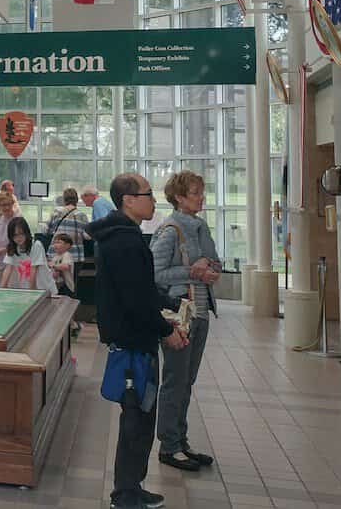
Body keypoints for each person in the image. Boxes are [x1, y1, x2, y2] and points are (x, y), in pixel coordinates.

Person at [90, 173, 188, 509]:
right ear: (128, 199)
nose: (153, 200)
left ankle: (132, 486)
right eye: (147, 194)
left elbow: (141, 290)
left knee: (140, 418)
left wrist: (171, 303)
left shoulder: (125, 236)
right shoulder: (124, 242)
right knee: (136, 419)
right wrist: (166, 331)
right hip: (133, 343)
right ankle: (125, 494)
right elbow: (135, 300)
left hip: (135, 339)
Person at [151, 171, 222, 472]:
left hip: (201, 313)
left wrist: (209, 268)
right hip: (180, 315)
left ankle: (180, 441)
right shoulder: (170, 230)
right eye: (195, 192)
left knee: (187, 381)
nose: (201, 197)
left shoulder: (200, 226)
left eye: (201, 192)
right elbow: (154, 274)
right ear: (179, 197)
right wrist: (192, 273)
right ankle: (169, 446)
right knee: (175, 381)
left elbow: (214, 262)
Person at [0, 216, 53, 291]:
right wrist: (1, 290)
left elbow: (33, 270)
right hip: (25, 289)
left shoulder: (36, 245)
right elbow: (8, 269)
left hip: (43, 288)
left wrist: (31, 292)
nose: (18, 238)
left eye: (21, 233)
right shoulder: (12, 247)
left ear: (26, 232)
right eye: (15, 235)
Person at [48, 187, 92, 261]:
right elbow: (87, 236)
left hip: (56, 254)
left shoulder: (56, 212)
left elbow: (47, 230)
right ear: (76, 200)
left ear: (64, 200)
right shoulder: (82, 215)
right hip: (75, 255)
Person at [49, 232, 77, 297]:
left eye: (58, 242)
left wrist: (53, 266)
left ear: (67, 245)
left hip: (66, 287)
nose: (55, 245)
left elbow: (65, 266)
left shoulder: (67, 255)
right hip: (58, 285)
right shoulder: (55, 256)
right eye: (54, 243)